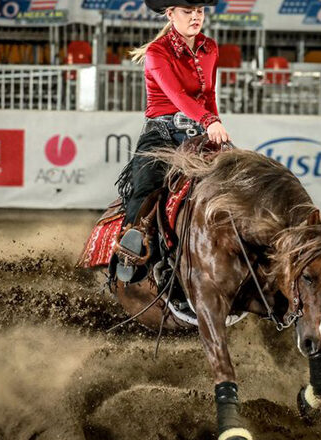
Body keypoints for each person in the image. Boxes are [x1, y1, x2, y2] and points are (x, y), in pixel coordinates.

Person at [115, 0, 230, 282]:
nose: (195, 17)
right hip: (161, 135)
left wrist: (214, 129)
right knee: (146, 188)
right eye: (187, 11)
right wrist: (209, 121)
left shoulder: (210, 47)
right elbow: (177, 96)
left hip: (198, 135)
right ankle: (128, 258)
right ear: (170, 14)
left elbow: (209, 95)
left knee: (233, 182)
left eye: (200, 11)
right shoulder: (157, 52)